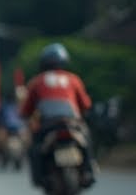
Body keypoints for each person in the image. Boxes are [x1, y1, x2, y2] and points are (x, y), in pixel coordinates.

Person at [20, 42, 94, 187]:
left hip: (48, 125)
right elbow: (86, 104)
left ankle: (39, 178)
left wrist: (27, 116)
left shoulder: (36, 82)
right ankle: (89, 171)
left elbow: (26, 110)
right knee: (86, 141)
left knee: (35, 148)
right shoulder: (73, 79)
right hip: (72, 122)